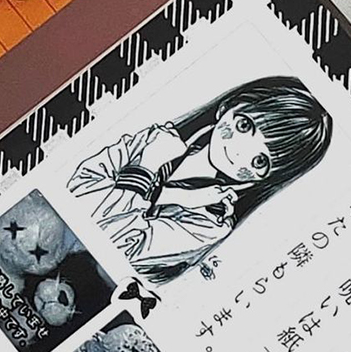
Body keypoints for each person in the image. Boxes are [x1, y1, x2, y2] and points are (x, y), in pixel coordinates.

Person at [67, 76, 331, 283]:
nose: (238, 152)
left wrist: (147, 167)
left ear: (269, 178)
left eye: (260, 161)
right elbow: (74, 189)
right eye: (244, 126)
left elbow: (106, 240)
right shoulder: (160, 139)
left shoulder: (211, 222)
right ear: (228, 107)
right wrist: (171, 195)